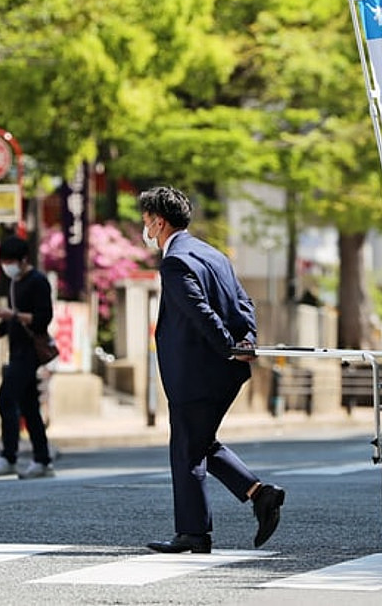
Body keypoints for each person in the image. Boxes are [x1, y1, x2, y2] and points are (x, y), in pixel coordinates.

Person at [139, 186, 284, 554]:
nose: (144, 227)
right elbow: (243, 302)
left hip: (197, 371)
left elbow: (198, 311)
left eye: (145, 220)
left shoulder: (175, 262)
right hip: (223, 372)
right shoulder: (213, 254)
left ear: (159, 222)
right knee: (199, 442)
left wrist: (229, 347)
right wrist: (245, 340)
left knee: (187, 449)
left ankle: (194, 533)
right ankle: (258, 494)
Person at [0, 235, 55, 480]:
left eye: (10, 261)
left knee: (5, 399)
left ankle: (9, 456)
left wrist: (15, 314)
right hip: (17, 349)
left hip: (29, 352)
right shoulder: (14, 283)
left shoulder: (38, 282)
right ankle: (42, 460)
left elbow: (43, 318)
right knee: (30, 407)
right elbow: (7, 324)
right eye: (3, 261)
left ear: (24, 260)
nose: (6, 266)